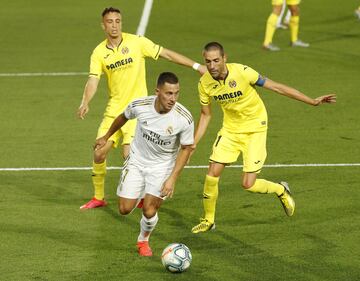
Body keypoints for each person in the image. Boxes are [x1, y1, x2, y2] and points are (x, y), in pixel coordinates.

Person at [191, 42, 336, 233]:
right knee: (212, 174)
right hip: (230, 130)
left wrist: (311, 101)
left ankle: (280, 190)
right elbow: (205, 114)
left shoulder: (243, 72)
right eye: (208, 62)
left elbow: (276, 87)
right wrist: (193, 142)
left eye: (216, 60)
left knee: (248, 184)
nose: (212, 66)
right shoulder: (204, 83)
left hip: (255, 129)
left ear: (225, 58)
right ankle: (208, 220)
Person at [77, 7, 205, 210]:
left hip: (139, 113)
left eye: (118, 21)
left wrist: (197, 67)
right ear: (103, 25)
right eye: (110, 21)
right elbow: (93, 80)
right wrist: (85, 101)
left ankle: (144, 197)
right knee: (99, 153)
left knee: (130, 157)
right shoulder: (99, 52)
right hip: (115, 111)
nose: (114, 25)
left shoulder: (137, 42)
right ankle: (98, 197)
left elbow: (167, 54)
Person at [95, 72, 194, 256]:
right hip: (137, 161)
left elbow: (187, 148)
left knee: (149, 210)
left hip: (162, 167)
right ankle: (142, 191)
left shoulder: (183, 118)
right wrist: (105, 137)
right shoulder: (140, 105)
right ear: (157, 92)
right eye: (168, 93)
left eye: (176, 93)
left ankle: (143, 241)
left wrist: (172, 178)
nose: (173, 99)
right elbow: (122, 117)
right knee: (124, 209)